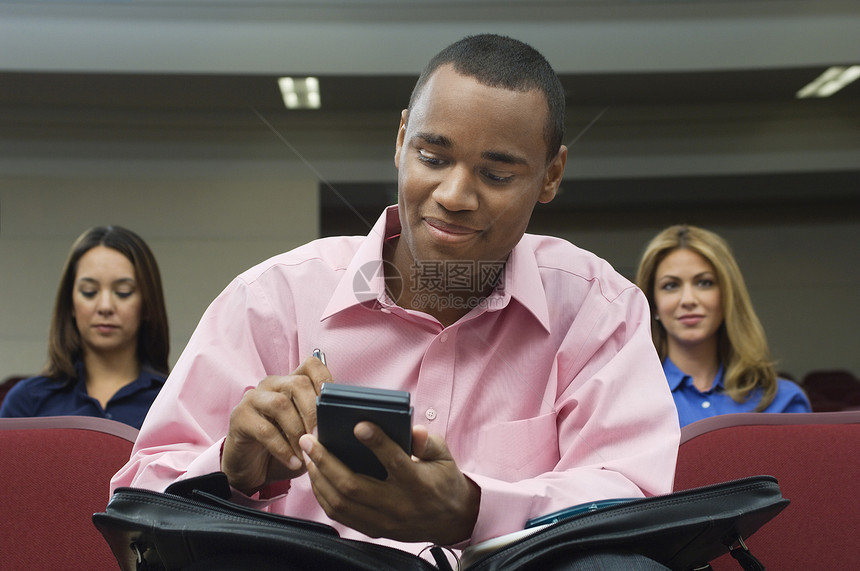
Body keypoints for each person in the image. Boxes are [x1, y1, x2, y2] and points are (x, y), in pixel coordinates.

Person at [112, 34, 679, 569]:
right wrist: (228, 470)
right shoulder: (272, 299)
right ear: (402, 140)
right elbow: (136, 504)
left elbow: (630, 498)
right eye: (433, 157)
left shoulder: (596, 308)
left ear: (551, 175)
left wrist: (472, 510)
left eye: (497, 173)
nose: (454, 196)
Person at [635, 224, 811, 428]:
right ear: (653, 303)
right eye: (671, 285)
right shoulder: (628, 398)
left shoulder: (782, 401)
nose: (688, 300)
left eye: (704, 283)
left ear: (727, 296)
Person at [1, 225, 170, 429]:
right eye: (89, 291)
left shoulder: (172, 403)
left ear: (147, 304)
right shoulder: (27, 401)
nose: (105, 306)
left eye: (123, 292)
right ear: (70, 303)